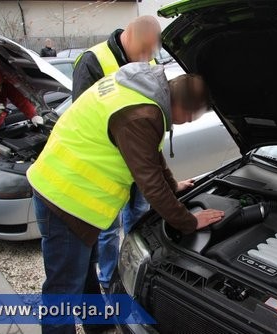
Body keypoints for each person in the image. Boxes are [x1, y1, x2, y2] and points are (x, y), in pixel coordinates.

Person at [27, 62, 224, 334]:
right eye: (190, 117)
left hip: (68, 191)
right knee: (63, 290)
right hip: (64, 199)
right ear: (180, 105)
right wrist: (188, 221)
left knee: (83, 274)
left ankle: (98, 326)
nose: (187, 122)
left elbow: (151, 156)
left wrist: (174, 186)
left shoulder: (144, 91)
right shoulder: (141, 114)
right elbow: (150, 184)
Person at [73, 15, 161, 290]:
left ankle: (133, 271)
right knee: (108, 229)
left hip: (141, 164)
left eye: (151, 51)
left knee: (139, 217)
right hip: (109, 169)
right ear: (130, 37)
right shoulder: (92, 61)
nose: (147, 58)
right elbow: (83, 120)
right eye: (144, 50)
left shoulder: (150, 60)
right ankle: (109, 279)